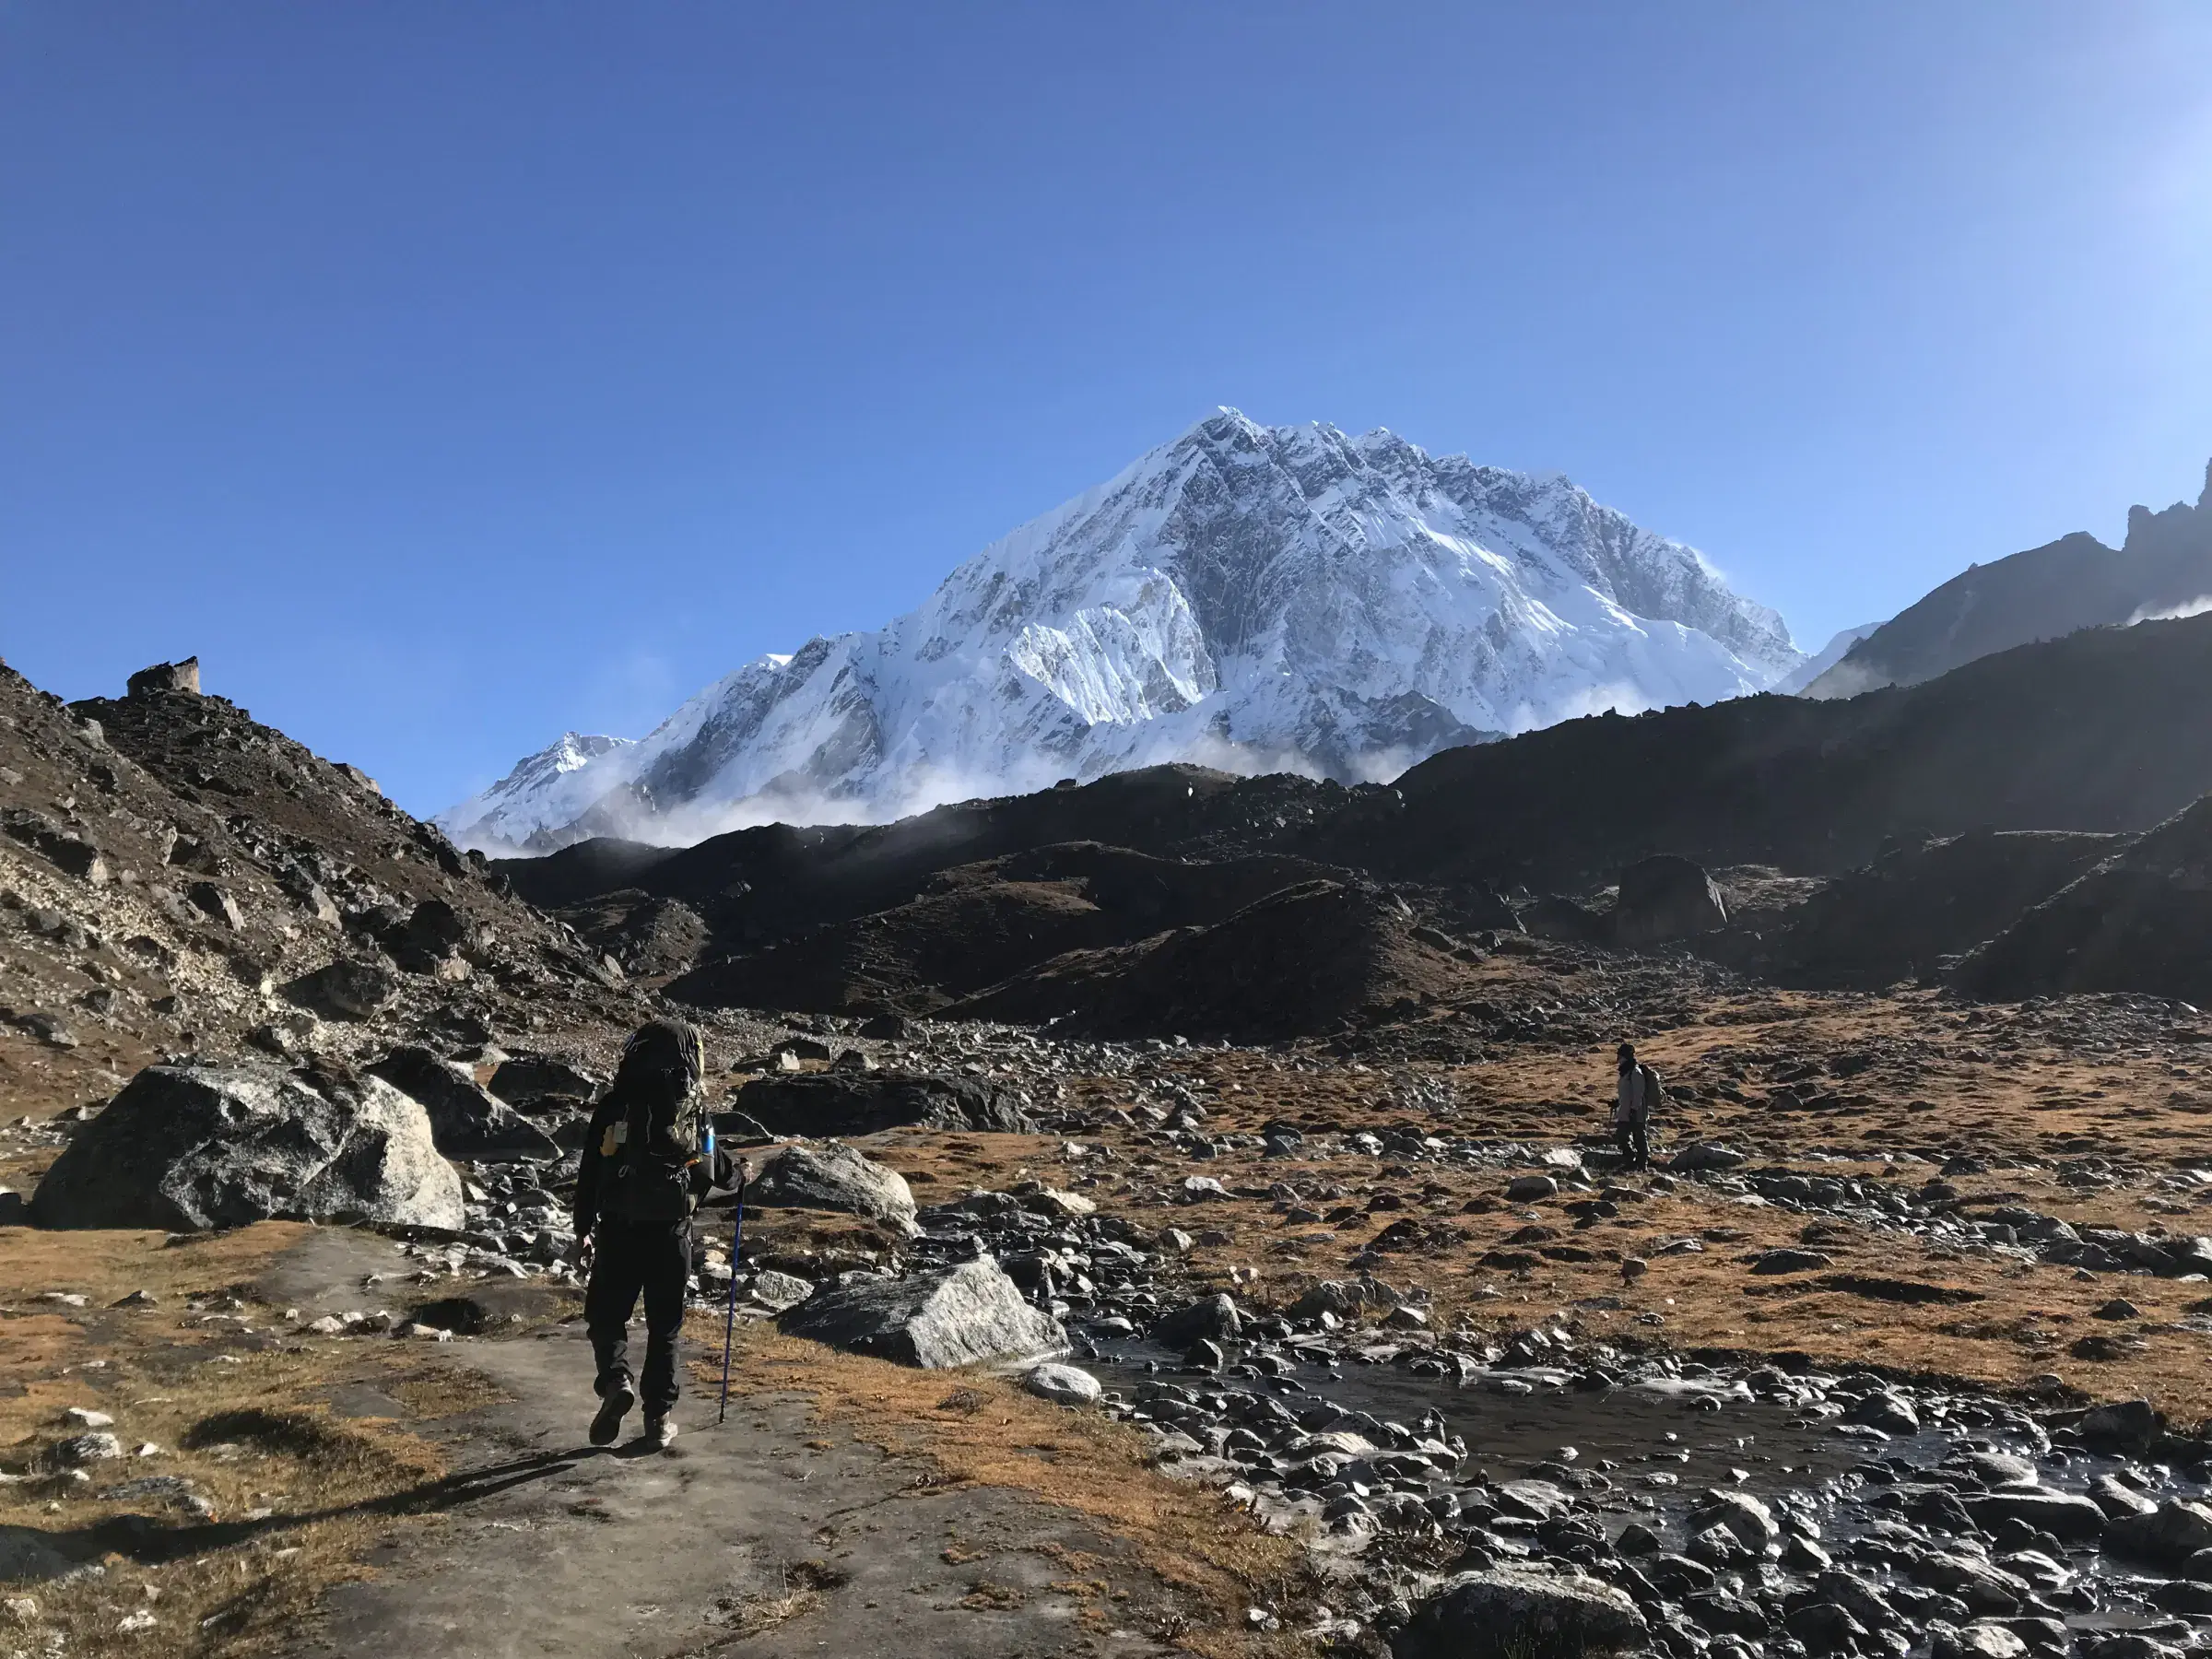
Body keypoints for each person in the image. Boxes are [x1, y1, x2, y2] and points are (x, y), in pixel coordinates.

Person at [570, 1018, 747, 1450]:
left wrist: (582, 1231)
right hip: (672, 1234)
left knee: (606, 1317)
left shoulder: (614, 1106)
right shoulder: (693, 1110)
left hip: (617, 1231)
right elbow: (721, 1172)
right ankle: (659, 1419)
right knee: (664, 1327)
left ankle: (616, 1382)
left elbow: (590, 1173)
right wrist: (741, 1175)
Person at [1613, 1041, 1662, 1171]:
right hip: (1625, 1112)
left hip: (1636, 1113)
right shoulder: (1626, 1073)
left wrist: (1634, 1109)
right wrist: (1617, 1102)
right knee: (1622, 1136)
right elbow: (1627, 1093)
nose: (1618, 1059)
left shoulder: (1635, 1072)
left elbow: (1638, 1093)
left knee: (1639, 1138)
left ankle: (1641, 1165)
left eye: (1620, 1056)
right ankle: (1630, 1161)